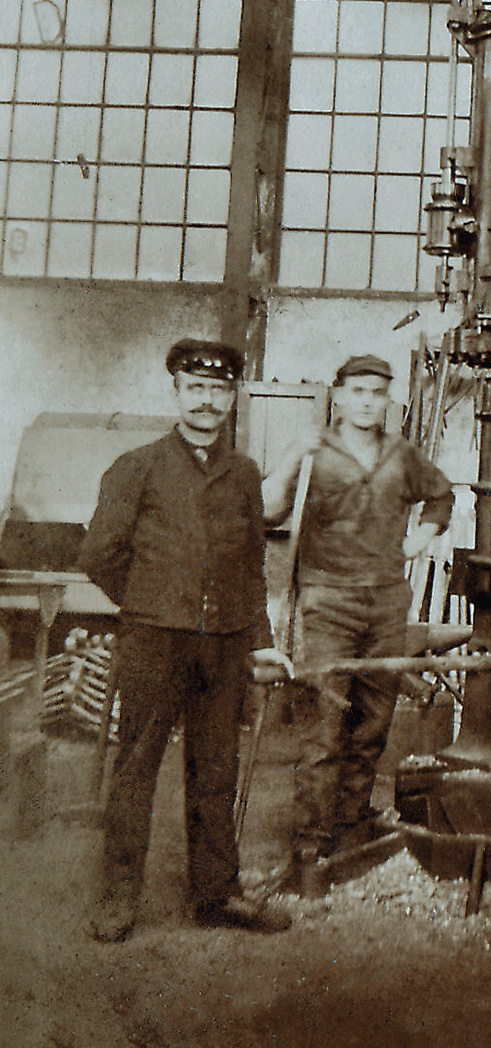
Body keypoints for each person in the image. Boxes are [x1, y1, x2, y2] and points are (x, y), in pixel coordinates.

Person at [79, 338, 293, 942]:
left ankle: (216, 893)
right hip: (154, 641)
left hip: (224, 645)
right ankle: (119, 899)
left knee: (215, 769)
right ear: (176, 392)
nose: (206, 400)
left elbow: (253, 569)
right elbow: (98, 554)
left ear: (232, 398)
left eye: (218, 389)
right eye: (195, 388)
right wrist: (149, 602)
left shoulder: (245, 473)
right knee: (137, 768)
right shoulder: (137, 466)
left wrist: (261, 641)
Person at [262, 353, 454, 890]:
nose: (368, 400)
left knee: (372, 723)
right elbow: (267, 510)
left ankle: (351, 824)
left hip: (387, 602)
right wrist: (286, 464)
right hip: (328, 602)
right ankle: (311, 844)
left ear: (386, 399)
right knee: (324, 727)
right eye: (359, 391)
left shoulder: (401, 454)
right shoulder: (314, 450)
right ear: (339, 394)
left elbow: (441, 495)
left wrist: (421, 537)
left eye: (378, 392)